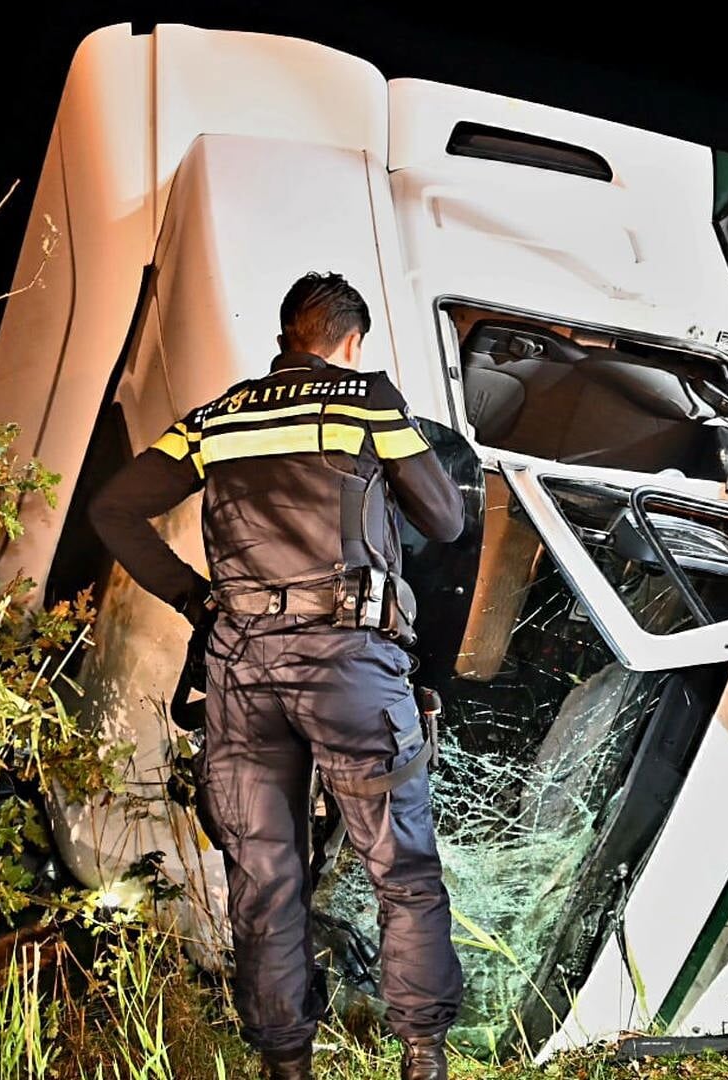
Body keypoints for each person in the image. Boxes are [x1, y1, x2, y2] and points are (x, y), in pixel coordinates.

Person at [89, 272, 467, 1080]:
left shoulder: (217, 418)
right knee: (399, 868)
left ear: (285, 335)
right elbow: (446, 518)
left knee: (262, 877)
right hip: (347, 664)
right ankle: (423, 1057)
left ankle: (285, 1064)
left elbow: (113, 510)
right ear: (351, 340)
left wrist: (197, 598)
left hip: (242, 670)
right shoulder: (367, 403)